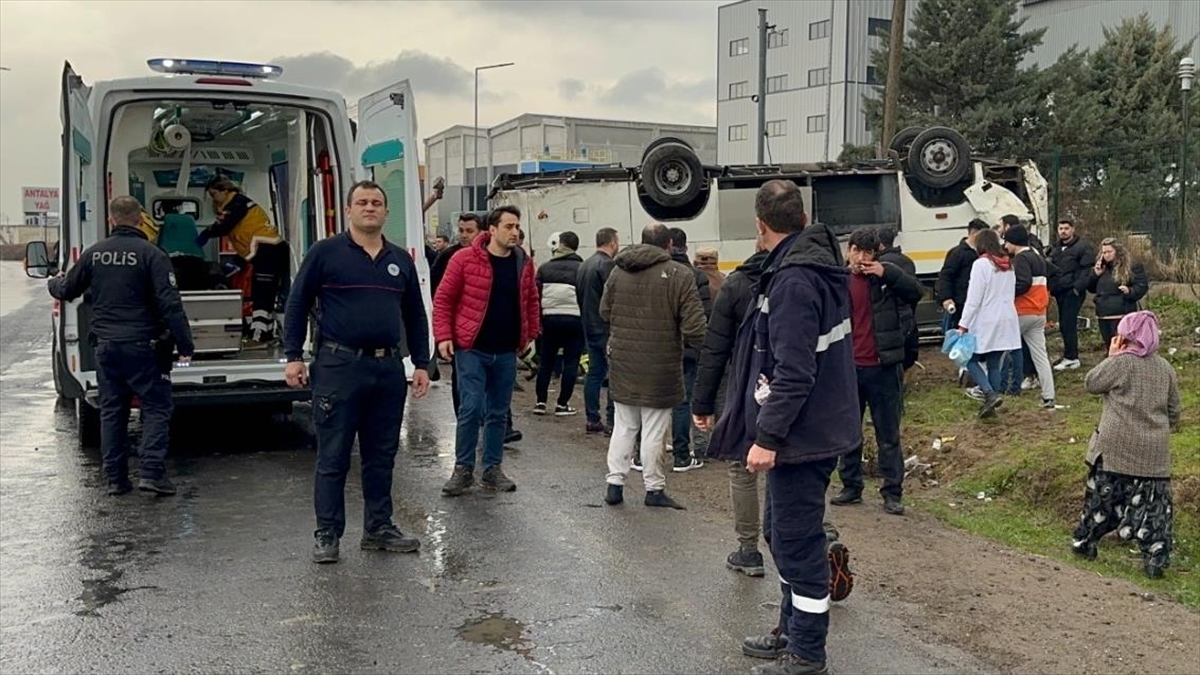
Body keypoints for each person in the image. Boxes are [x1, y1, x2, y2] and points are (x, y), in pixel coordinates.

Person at [709, 180, 859, 675]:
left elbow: (795, 371)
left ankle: (807, 651)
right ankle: (790, 631)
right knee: (780, 533)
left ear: (760, 225)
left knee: (795, 542)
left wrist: (768, 437)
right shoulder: (804, 266)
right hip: (813, 428)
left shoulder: (794, 279)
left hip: (802, 436)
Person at [282, 181, 431, 564]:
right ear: (348, 210)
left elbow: (414, 314)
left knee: (381, 455)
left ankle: (378, 528)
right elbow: (297, 303)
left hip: (386, 369)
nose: (370, 208)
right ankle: (327, 533)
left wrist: (422, 364)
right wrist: (293, 356)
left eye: (377, 203)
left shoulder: (400, 259)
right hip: (338, 367)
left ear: (385, 212)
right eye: (362, 202)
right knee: (333, 456)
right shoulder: (326, 253)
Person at [48, 196, 195, 496]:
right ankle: (152, 473)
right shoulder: (152, 254)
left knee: (112, 411)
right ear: (140, 218)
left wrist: (53, 282)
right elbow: (170, 304)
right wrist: (185, 344)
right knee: (155, 407)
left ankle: (116, 478)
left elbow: (67, 289)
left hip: (106, 347)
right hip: (145, 347)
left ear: (112, 220)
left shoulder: (94, 254)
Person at [435, 205, 541, 496]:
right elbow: (444, 298)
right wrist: (443, 335)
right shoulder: (464, 259)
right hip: (472, 348)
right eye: (508, 226)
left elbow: (531, 298)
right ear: (491, 230)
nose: (515, 232)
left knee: (498, 412)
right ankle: (463, 469)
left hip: (506, 350)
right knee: (471, 408)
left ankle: (492, 468)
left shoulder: (522, 261)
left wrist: (531, 334)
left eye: (517, 226)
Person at [602, 223, 707, 510]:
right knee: (654, 428)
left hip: (623, 360)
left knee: (624, 425)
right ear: (670, 244)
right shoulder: (678, 274)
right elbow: (695, 326)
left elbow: (604, 311)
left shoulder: (618, 270)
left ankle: (615, 483)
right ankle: (654, 488)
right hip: (661, 363)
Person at [1073, 311, 1180, 579]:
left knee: (1103, 502)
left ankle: (1086, 541)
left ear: (1126, 336)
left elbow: (1091, 383)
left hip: (1116, 449)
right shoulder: (1165, 369)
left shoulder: (1121, 364)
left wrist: (1111, 356)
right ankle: (1155, 556)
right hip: (1154, 455)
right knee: (1154, 511)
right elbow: (1174, 411)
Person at [830, 228, 923, 516]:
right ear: (848, 251)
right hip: (849, 367)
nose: (861, 257)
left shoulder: (887, 277)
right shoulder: (839, 280)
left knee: (888, 432)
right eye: (856, 250)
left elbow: (916, 293)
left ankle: (892, 492)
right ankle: (851, 485)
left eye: (867, 252)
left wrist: (886, 273)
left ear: (875, 254)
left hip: (884, 366)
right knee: (849, 431)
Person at [199, 176, 288, 346]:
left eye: (213, 194)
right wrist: (237, 263)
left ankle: (260, 334)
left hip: (269, 250)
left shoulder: (236, 204)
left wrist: (206, 233)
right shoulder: (235, 205)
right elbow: (242, 238)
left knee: (262, 293)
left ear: (225, 191)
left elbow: (225, 227)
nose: (213, 199)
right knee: (264, 293)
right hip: (268, 250)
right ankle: (265, 333)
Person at [957, 229, 1022, 419]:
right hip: (1007, 318)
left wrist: (963, 324)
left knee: (970, 359)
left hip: (987, 319)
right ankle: (991, 403)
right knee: (994, 363)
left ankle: (988, 393)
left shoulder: (981, 265)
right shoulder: (1008, 265)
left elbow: (974, 299)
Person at [667, 226, 713, 472]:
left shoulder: (659, 273)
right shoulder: (697, 276)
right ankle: (683, 452)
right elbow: (704, 315)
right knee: (684, 401)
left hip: (663, 348)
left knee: (655, 403)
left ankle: (646, 454)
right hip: (690, 348)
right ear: (685, 246)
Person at [1004, 225, 1057, 408]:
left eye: (1006, 241)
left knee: (1001, 350)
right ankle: (1049, 395)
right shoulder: (1038, 258)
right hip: (1039, 311)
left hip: (1022, 310)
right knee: (1040, 355)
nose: (1005, 245)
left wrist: (1005, 294)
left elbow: (1023, 283)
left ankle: (990, 389)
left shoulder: (1021, 259)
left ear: (1013, 241)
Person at [534, 230, 584, 416]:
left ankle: (540, 402)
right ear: (576, 247)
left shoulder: (545, 268)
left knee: (546, 362)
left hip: (550, 320)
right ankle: (562, 404)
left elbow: (535, 296)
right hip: (574, 320)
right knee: (571, 363)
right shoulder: (582, 268)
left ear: (560, 244)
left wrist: (538, 321)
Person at [577, 227, 619, 434]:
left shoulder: (585, 264)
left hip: (588, 325)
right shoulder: (607, 265)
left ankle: (592, 418)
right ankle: (612, 420)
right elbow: (613, 298)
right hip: (605, 327)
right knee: (614, 373)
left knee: (594, 373)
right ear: (612, 243)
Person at [1047, 219, 1093, 371]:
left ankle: (1072, 357)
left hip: (1073, 292)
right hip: (1059, 292)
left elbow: (1086, 271)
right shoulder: (1055, 248)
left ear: (1073, 229)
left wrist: (1077, 288)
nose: (1063, 231)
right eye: (1060, 228)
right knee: (1064, 324)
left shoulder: (1083, 247)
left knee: (1068, 324)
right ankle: (1069, 355)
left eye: (1066, 228)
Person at [875, 227, 921, 374]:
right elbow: (914, 291)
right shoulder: (907, 261)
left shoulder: (879, 265)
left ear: (880, 244)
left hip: (890, 317)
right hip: (906, 315)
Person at [1088, 237, 1149, 346]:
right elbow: (1091, 288)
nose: (1106, 255)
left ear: (1117, 251)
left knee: (1122, 346)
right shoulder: (1102, 268)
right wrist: (1095, 275)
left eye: (1109, 252)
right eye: (1104, 252)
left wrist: (1130, 291)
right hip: (1103, 314)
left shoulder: (1131, 266)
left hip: (1122, 314)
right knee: (1109, 345)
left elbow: (1142, 285)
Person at [936, 218, 989, 332]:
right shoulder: (957, 253)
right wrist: (946, 297)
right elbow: (946, 276)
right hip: (961, 301)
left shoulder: (984, 253)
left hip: (981, 302)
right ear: (974, 233)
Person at [431, 213, 482, 294]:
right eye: (461, 230)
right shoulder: (447, 255)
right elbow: (434, 282)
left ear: (480, 233)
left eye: (469, 231)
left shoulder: (487, 254)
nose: (464, 235)